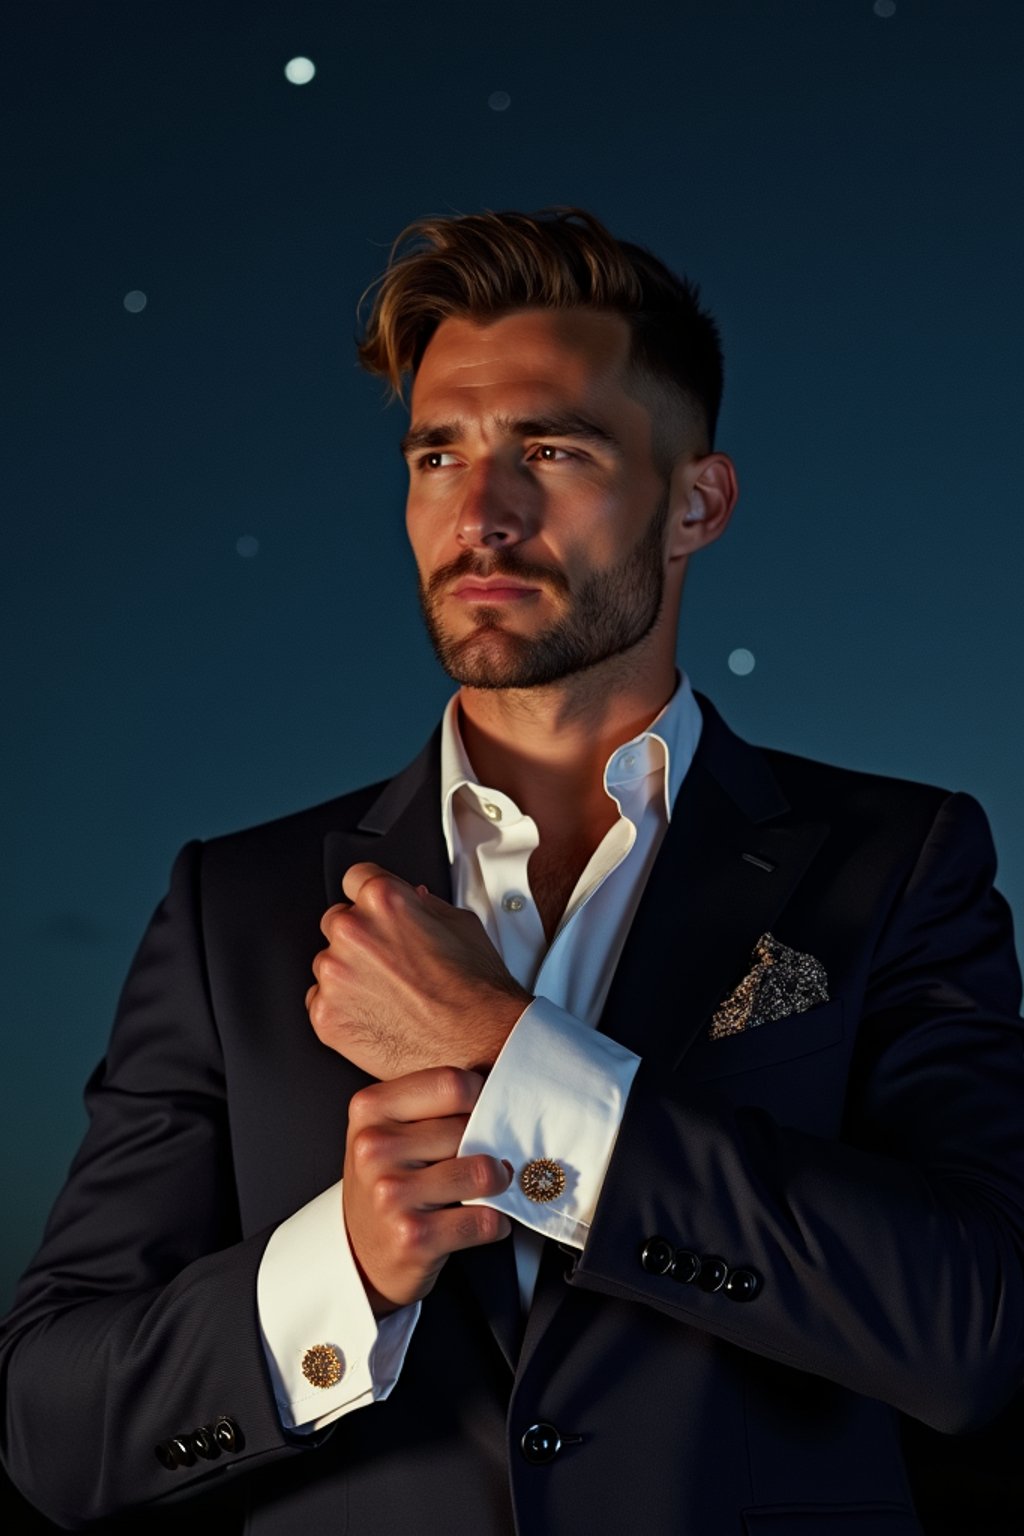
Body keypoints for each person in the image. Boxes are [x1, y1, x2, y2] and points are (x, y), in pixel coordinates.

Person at [1, 206, 1022, 1536]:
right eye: (439, 454)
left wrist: (510, 1055)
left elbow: (980, 1332)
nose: (481, 513)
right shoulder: (232, 910)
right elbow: (51, 1429)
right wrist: (343, 1271)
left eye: (552, 447)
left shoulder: (898, 863)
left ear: (696, 503)